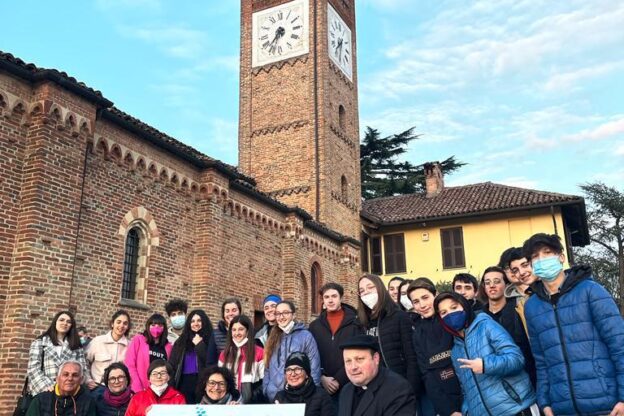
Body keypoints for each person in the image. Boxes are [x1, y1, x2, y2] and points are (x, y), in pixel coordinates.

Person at [522, 233, 624, 416]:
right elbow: (542, 361)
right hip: (562, 407)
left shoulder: (591, 291)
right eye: (535, 257)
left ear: (561, 257)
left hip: (606, 404)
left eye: (547, 253)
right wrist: (545, 402)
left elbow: (620, 346)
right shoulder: (532, 306)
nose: (541, 259)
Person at [435, 291, 537, 416]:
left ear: (464, 306)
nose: (450, 314)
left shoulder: (486, 325)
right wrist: (467, 410)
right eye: (443, 312)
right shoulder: (456, 350)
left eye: (454, 307)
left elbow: (516, 359)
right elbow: (466, 389)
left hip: (516, 408)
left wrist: (485, 365)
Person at [357, 274, 419, 398]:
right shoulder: (361, 323)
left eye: (370, 288)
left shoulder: (399, 317)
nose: (366, 293)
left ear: (380, 289)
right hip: (374, 389)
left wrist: (410, 388)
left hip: (400, 386)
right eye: (362, 291)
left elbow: (411, 357)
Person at [407, 278, 462, 416]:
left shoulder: (451, 319)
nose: (422, 305)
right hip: (446, 402)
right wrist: (449, 411)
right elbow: (427, 375)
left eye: (425, 298)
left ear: (435, 294)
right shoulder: (417, 333)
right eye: (416, 302)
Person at [478, 266, 536, 386]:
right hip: (495, 383)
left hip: (526, 379)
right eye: (487, 283)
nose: (492, 286)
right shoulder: (479, 318)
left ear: (506, 285)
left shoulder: (520, 310)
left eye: (497, 281)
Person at [309, 282, 363, 405]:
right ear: (322, 300)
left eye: (334, 296)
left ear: (341, 298)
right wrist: (322, 377)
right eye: (326, 297)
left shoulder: (356, 323)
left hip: (351, 383)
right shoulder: (314, 326)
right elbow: (311, 355)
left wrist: (339, 379)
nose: (330, 300)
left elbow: (359, 352)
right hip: (323, 386)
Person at [338, 334, 415, 416]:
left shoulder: (398, 389)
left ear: (376, 359)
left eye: (359, 359)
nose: (353, 367)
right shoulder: (346, 391)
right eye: (348, 361)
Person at [263, 300, 321, 402]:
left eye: (285, 313)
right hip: (274, 397)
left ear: (293, 315)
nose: (281, 317)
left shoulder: (305, 336)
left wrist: (312, 395)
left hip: (300, 396)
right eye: (278, 314)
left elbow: (314, 367)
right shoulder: (272, 337)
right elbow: (267, 367)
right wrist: (267, 389)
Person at [27, 311, 89, 395]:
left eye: (68, 322)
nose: (65, 323)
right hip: (46, 390)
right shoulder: (40, 342)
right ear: (55, 322)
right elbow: (33, 368)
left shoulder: (76, 346)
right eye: (61, 320)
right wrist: (47, 386)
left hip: (69, 392)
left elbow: (83, 369)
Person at [168, 308, 218, 403]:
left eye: (199, 320)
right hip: (183, 383)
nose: (196, 323)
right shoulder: (181, 341)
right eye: (192, 321)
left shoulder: (211, 340)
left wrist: (200, 345)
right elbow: (172, 365)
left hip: (203, 383)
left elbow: (211, 362)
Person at [219, 315, 265, 403]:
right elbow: (221, 380)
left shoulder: (259, 352)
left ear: (247, 331)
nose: (237, 333)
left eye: (241, 329)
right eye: (234, 330)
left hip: (251, 403)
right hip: (229, 403)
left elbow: (264, 381)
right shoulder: (224, 354)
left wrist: (249, 398)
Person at [26, 360, 97, 416]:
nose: (70, 378)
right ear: (57, 378)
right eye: (65, 375)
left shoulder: (88, 402)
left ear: (81, 380)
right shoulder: (40, 400)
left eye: (75, 375)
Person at [125, 313, 172, 393]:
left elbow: (169, 370)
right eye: (153, 324)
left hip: (161, 390)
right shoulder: (139, 340)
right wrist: (137, 387)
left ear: (164, 328)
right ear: (148, 326)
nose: (156, 328)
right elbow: (130, 364)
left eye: (160, 325)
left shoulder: (168, 346)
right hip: (140, 389)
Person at [84, 309, 131, 390]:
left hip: (120, 390)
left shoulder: (130, 346)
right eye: (118, 322)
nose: (121, 326)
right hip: (98, 388)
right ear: (112, 324)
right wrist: (88, 380)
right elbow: (84, 362)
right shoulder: (98, 341)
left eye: (125, 323)